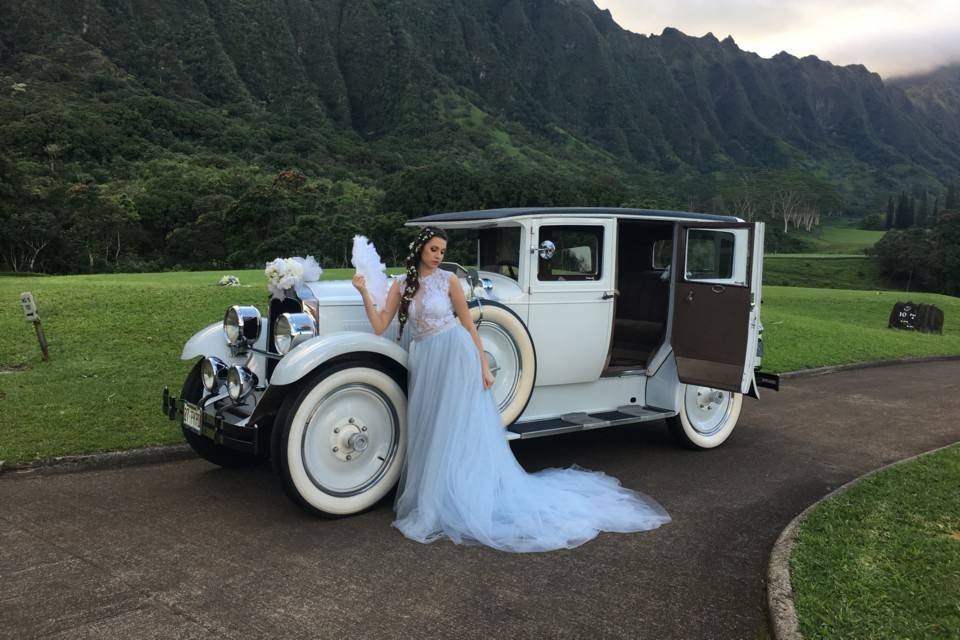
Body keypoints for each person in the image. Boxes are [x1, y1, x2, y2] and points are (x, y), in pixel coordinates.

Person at [352, 226, 670, 552]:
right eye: (434, 250)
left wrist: (482, 364)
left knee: (457, 425)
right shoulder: (401, 285)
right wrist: (364, 291)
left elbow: (467, 324)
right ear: (420, 248)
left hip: (456, 352)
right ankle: (433, 496)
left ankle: (460, 493)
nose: (438, 257)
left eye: (442, 252)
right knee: (432, 425)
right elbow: (380, 326)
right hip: (428, 359)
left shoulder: (447, 281)